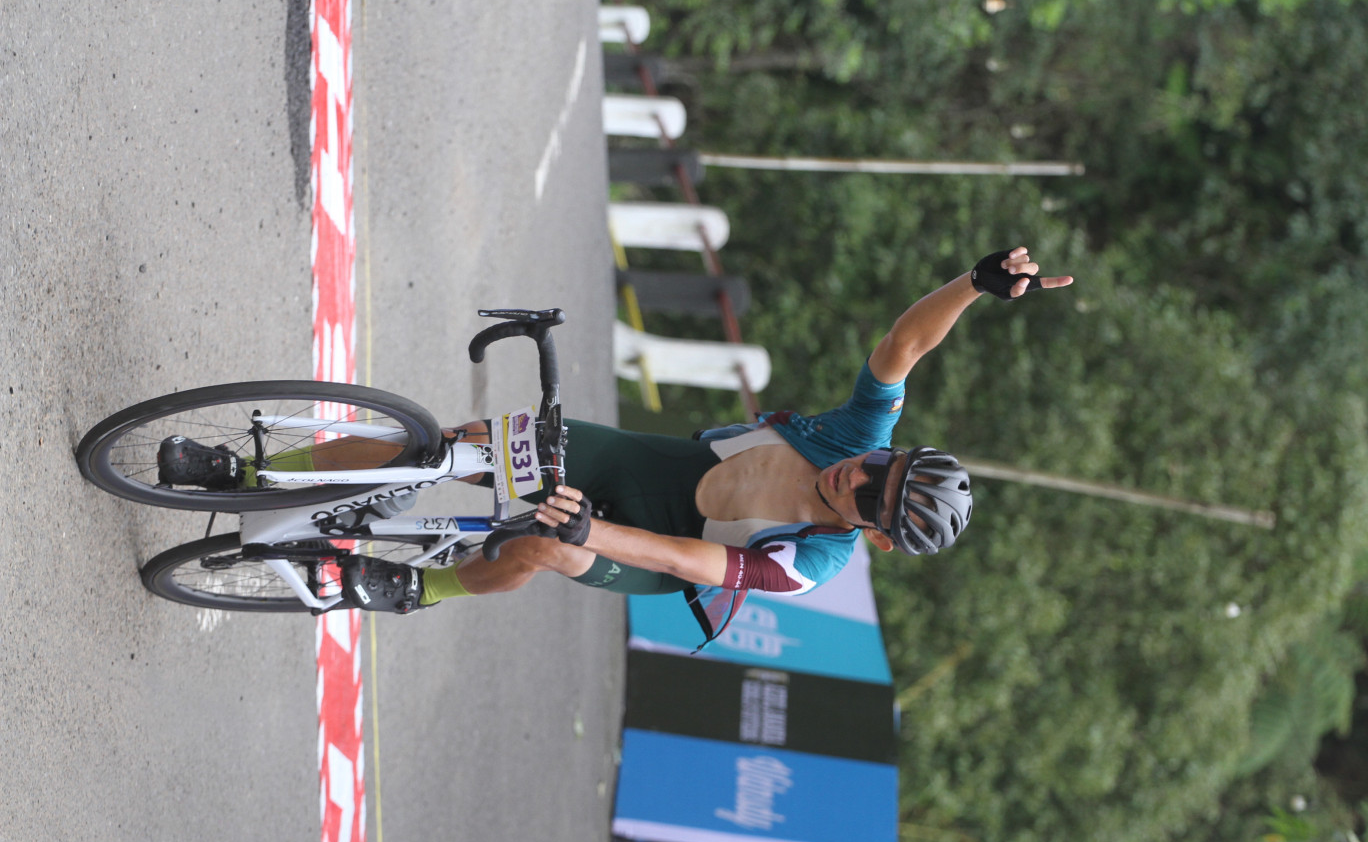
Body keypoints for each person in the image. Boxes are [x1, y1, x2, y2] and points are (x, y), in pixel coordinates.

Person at [162, 247, 1072, 620]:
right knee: (452, 444)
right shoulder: (851, 435)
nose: (860, 477)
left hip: (649, 543)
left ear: (875, 535)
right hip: (644, 463)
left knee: (545, 550)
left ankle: (417, 587)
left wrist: (590, 532)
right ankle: (245, 469)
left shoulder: (810, 562)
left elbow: (684, 560)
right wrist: (973, 285)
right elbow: (904, 347)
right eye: (882, 464)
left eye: (874, 498)